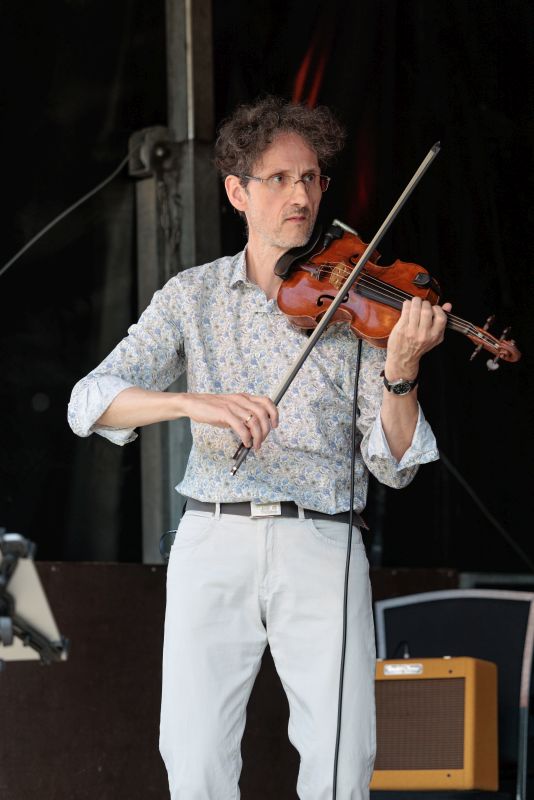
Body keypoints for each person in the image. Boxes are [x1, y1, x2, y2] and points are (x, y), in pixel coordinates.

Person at [68, 96, 450, 800]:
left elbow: (394, 463)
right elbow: (89, 401)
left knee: (343, 755)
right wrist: (191, 402)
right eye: (279, 179)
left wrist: (401, 373)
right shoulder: (193, 296)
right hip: (214, 534)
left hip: (323, 539)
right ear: (238, 192)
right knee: (193, 753)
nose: (301, 196)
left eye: (311, 178)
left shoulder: (356, 300)